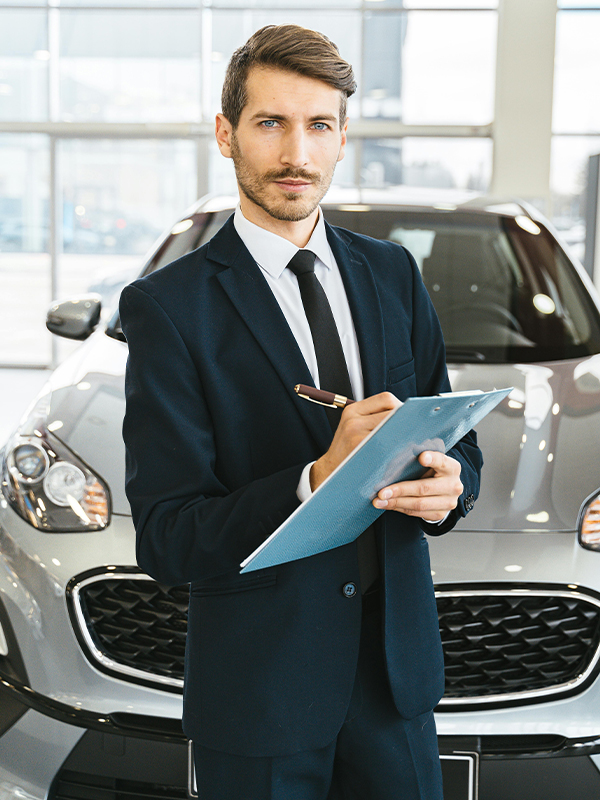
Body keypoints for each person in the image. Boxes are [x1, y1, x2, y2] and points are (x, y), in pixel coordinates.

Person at [120, 23, 482, 800]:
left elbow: (458, 444)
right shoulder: (168, 308)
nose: (297, 152)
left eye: (319, 125)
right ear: (227, 134)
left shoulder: (392, 273)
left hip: (395, 686)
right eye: (270, 123)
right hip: (261, 695)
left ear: (343, 137)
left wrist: (452, 488)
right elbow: (168, 538)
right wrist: (316, 477)